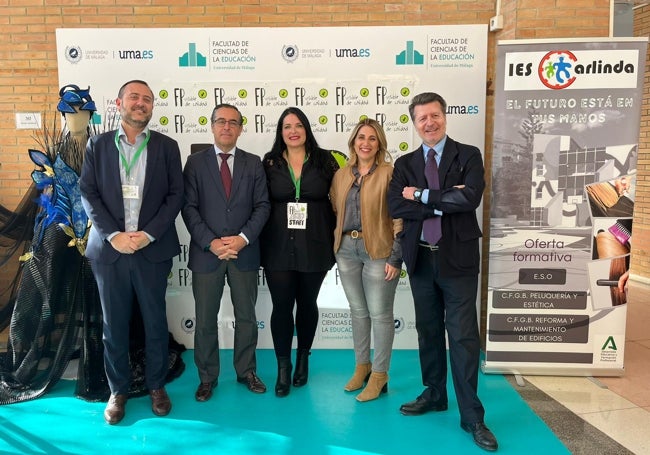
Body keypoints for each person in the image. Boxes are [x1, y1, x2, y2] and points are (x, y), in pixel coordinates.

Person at [387, 92, 498, 451]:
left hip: (459, 261)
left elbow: (469, 199)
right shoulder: (404, 163)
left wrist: (420, 196)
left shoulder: (467, 155)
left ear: (444, 116)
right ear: (414, 123)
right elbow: (395, 205)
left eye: (434, 116)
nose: (429, 123)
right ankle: (435, 393)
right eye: (422, 118)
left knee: (464, 338)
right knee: (429, 332)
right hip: (421, 260)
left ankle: (472, 417)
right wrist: (441, 201)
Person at [80, 80, 184, 424]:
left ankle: (156, 385)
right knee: (114, 325)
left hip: (150, 251)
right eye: (134, 97)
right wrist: (113, 235)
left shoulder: (168, 147)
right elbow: (88, 194)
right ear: (119, 102)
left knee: (155, 322)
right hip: (111, 252)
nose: (141, 103)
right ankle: (118, 390)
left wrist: (148, 234)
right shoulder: (97, 145)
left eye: (147, 99)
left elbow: (175, 196)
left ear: (152, 107)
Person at [182, 104, 270, 401]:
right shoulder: (195, 163)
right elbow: (189, 207)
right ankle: (207, 378)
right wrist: (212, 242)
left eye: (234, 122)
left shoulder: (253, 163)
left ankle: (246, 371)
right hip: (208, 255)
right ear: (212, 126)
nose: (227, 127)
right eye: (221, 121)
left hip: (243, 253)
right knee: (205, 320)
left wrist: (243, 239)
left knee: (247, 317)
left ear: (241, 128)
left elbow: (262, 206)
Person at [260, 107, 339, 397]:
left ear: (306, 129)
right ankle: (283, 367)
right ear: (280, 132)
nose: (292, 131)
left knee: (307, 304)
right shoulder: (268, 163)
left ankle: (303, 358)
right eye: (286, 126)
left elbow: (341, 197)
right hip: (277, 245)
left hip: (315, 244)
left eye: (298, 125)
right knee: (281, 306)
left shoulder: (325, 160)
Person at [330, 118, 402, 402]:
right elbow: (336, 206)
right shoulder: (342, 174)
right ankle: (362, 367)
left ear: (380, 144)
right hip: (346, 248)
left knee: (380, 314)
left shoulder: (390, 173)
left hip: (379, 250)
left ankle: (380, 375)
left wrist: (396, 256)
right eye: (361, 137)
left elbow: (399, 215)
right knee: (358, 311)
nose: (366, 143)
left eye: (372, 138)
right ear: (353, 142)